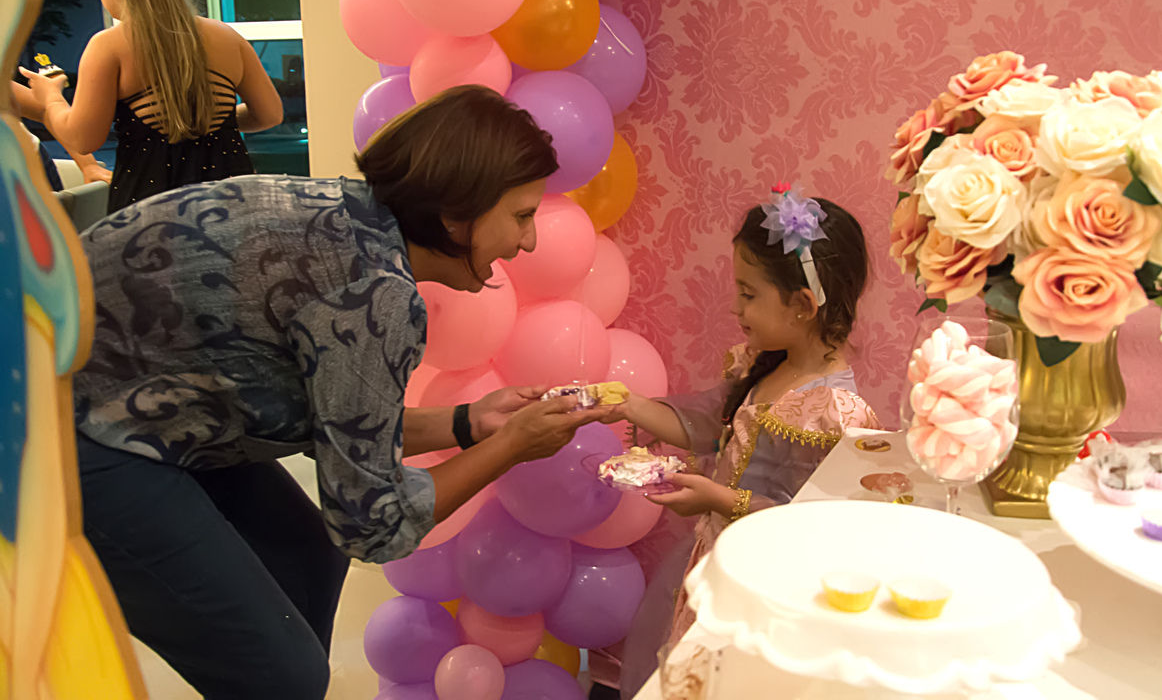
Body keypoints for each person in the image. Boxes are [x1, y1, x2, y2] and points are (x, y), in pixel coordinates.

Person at [72, 85, 607, 699]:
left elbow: (342, 425)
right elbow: (370, 523)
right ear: (456, 214)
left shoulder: (352, 219)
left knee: (309, 559)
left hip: (130, 398)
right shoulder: (373, 294)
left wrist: (469, 423)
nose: (529, 242)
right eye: (521, 216)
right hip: (67, 427)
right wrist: (509, 446)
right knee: (284, 678)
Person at [602, 185, 881, 699]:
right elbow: (712, 424)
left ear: (802, 305)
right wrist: (629, 405)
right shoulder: (764, 366)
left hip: (762, 580)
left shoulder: (832, 411)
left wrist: (717, 498)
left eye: (748, 294)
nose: (735, 307)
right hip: (711, 557)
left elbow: (809, 520)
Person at [19, 0, 281, 213]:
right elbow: (269, 114)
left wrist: (50, 97)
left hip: (150, 210)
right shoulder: (227, 37)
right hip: (232, 201)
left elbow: (83, 139)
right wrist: (204, 119)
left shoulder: (109, 46)